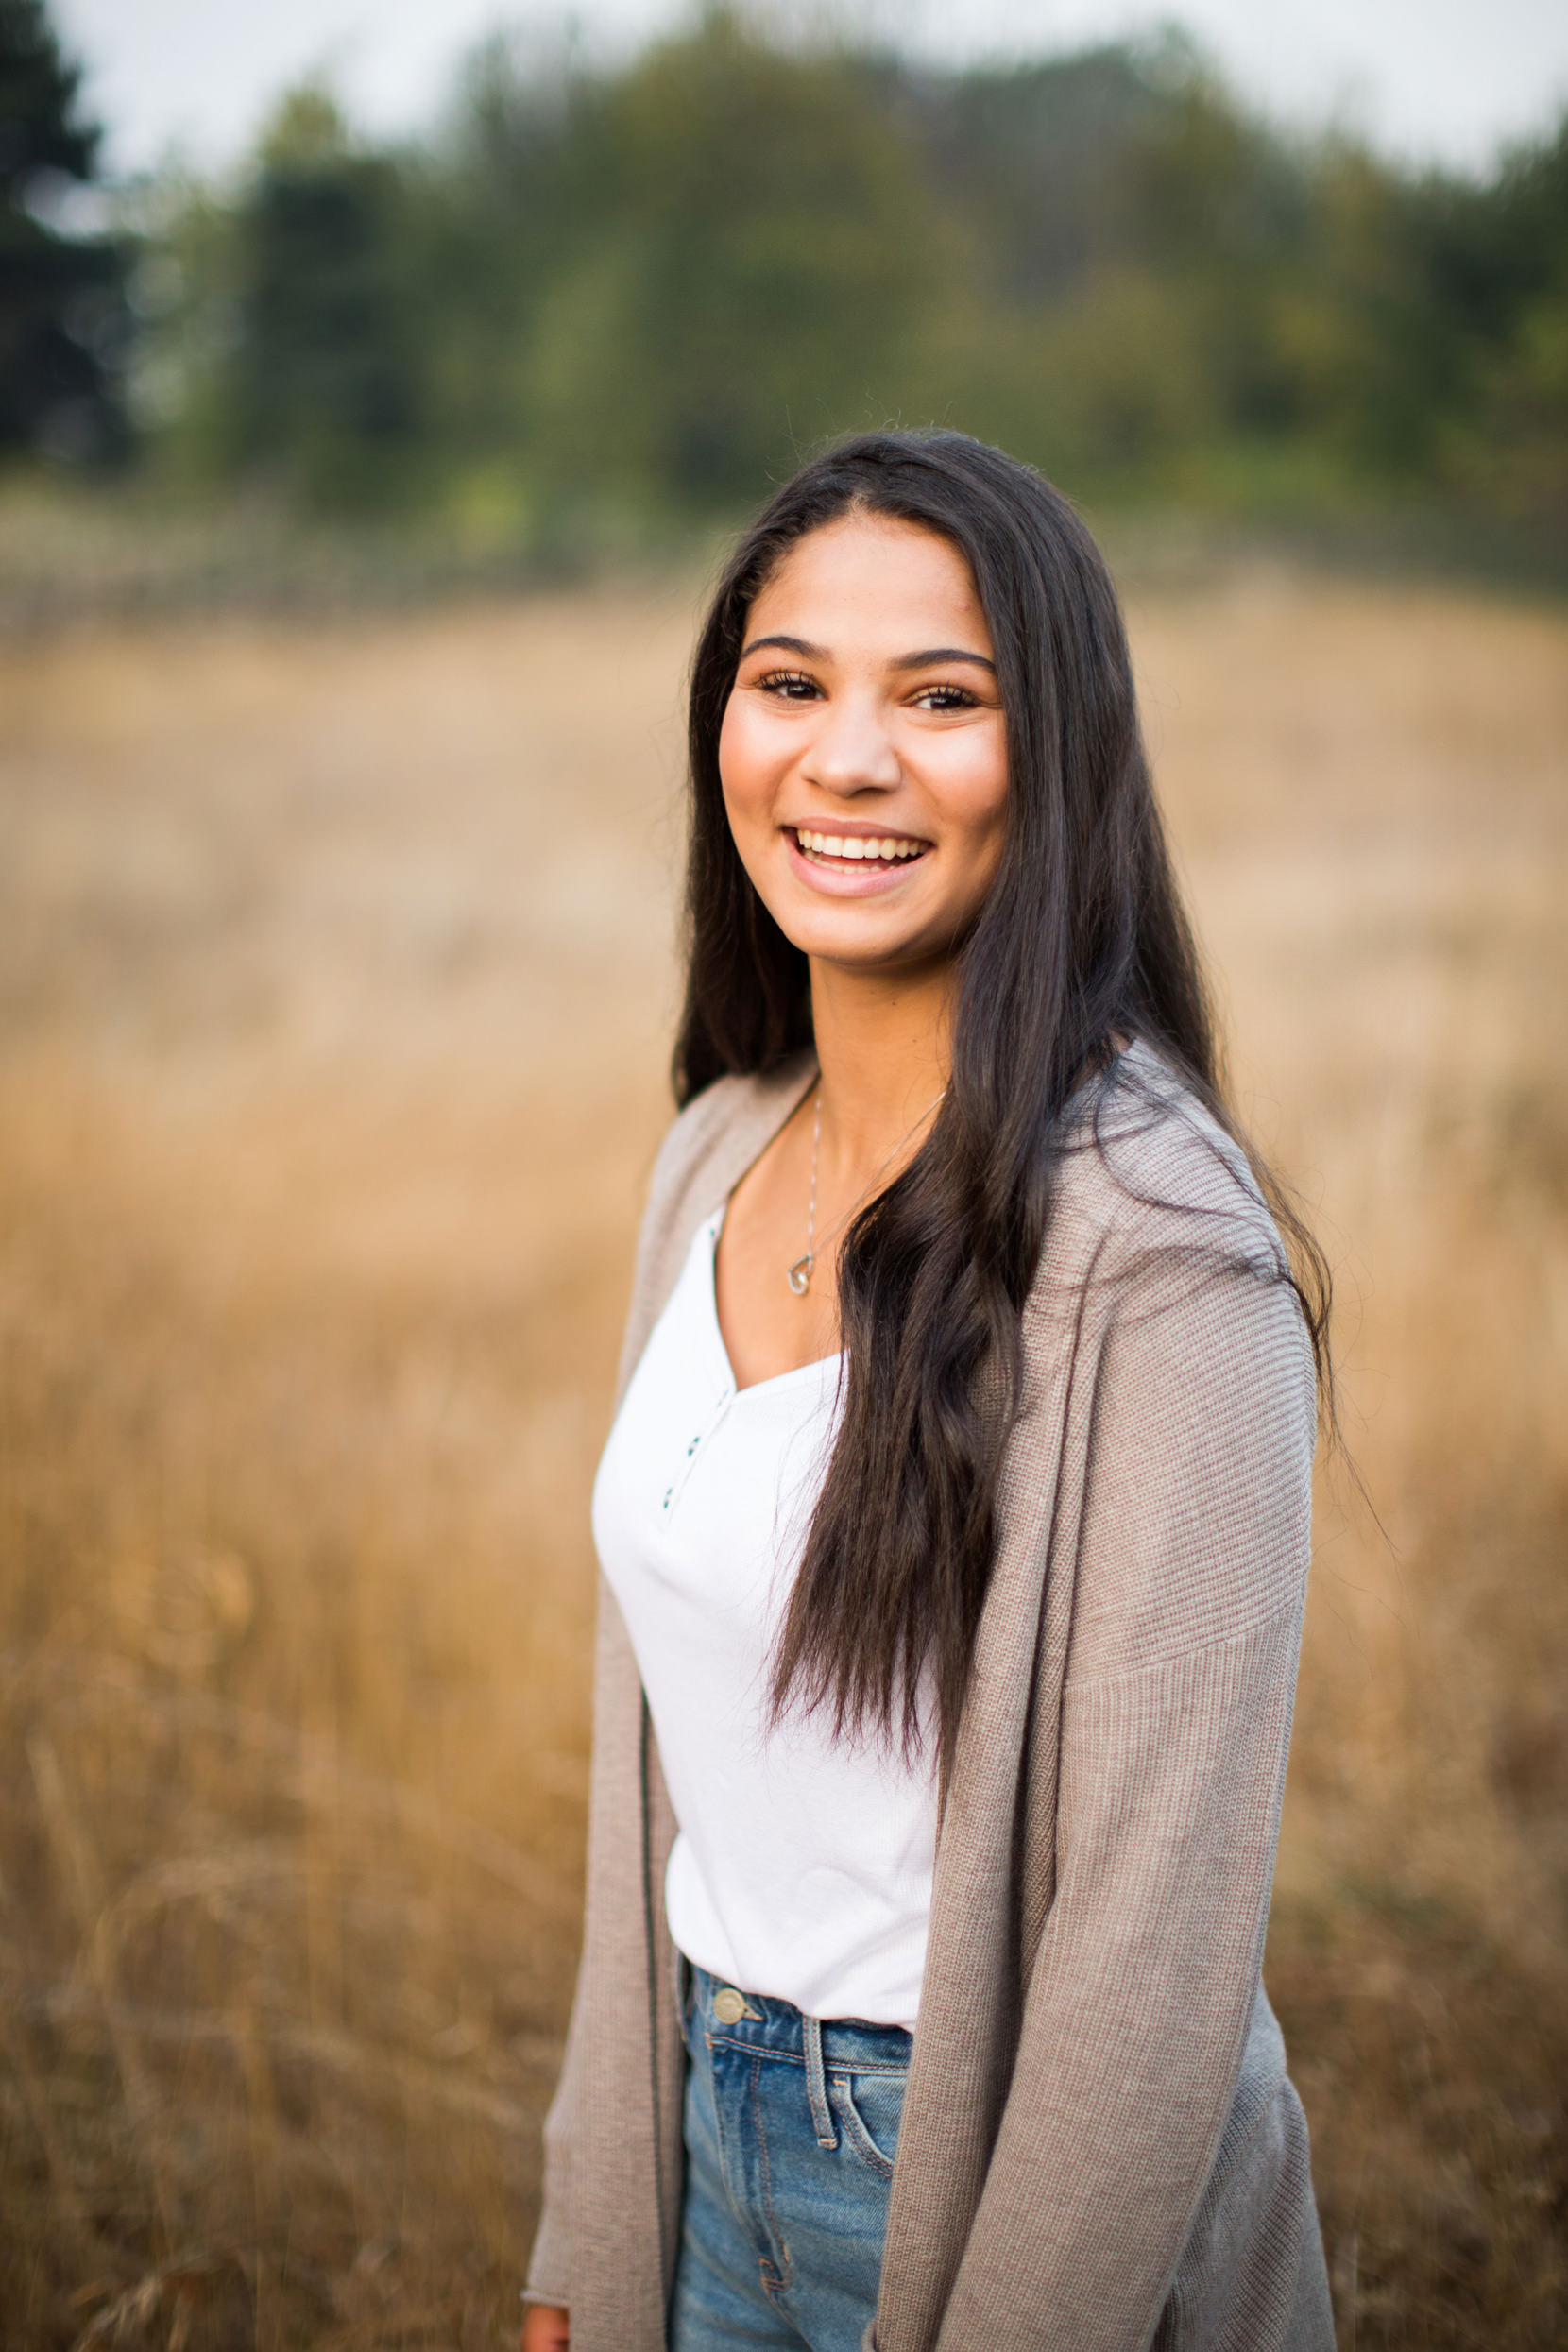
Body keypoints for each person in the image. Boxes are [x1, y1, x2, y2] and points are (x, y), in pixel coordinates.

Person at [520, 429, 1336, 2352]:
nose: (846, 758)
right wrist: (585, 2227)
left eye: (941, 698)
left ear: (1054, 760)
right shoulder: (712, 1153)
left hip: (987, 2194)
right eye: (787, 683)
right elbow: (662, 1792)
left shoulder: (1158, 1254)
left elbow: (1148, 1967)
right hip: (703, 2157)